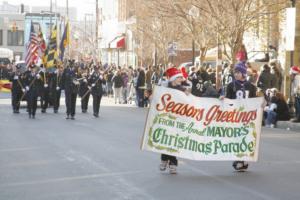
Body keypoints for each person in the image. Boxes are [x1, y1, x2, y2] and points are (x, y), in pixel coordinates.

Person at [222, 62, 257, 171]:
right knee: (236, 137)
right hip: (234, 115)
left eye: (238, 72)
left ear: (243, 73)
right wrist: (223, 99)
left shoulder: (251, 86)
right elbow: (228, 98)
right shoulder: (231, 85)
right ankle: (239, 159)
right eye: (235, 72)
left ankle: (242, 159)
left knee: (245, 137)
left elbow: (254, 100)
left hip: (247, 116)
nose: (236, 74)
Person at [159, 67, 190, 174]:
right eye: (179, 77)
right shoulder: (164, 88)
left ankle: (172, 162)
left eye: (181, 77)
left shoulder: (182, 89)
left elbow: (191, 100)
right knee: (166, 139)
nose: (181, 79)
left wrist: (188, 95)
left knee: (174, 141)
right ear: (173, 79)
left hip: (178, 119)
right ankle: (164, 159)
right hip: (166, 117)